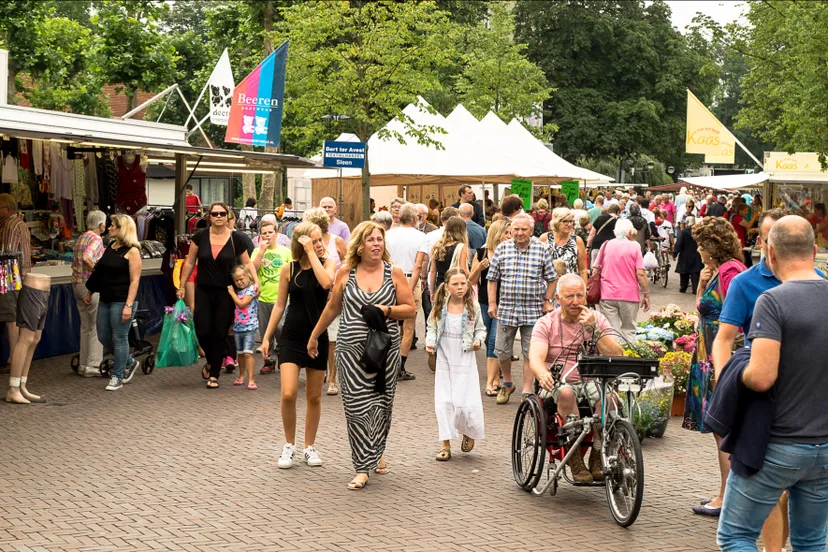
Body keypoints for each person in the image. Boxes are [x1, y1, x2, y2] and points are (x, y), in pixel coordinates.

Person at [717, 216, 828, 551]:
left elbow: (762, 377)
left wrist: (739, 370)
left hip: (777, 444)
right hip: (823, 446)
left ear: (770, 253)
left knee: (736, 536)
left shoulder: (774, 300)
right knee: (812, 541)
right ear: (814, 249)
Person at [307, 221, 416, 490]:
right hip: (350, 352)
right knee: (356, 409)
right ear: (360, 245)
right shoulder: (346, 272)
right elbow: (333, 307)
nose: (377, 244)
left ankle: (375, 452)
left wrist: (386, 310)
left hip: (384, 354)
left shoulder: (395, 272)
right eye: (371, 240)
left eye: (380, 239)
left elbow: (410, 309)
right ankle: (362, 467)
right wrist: (314, 335)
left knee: (381, 407)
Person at [529, 273, 624, 482]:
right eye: (569, 296)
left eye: (580, 296)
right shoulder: (546, 323)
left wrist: (594, 329)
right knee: (565, 393)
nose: (575, 302)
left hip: (591, 379)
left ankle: (598, 454)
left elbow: (617, 354)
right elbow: (535, 356)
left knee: (609, 400)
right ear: (558, 298)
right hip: (559, 380)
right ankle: (574, 457)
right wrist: (542, 372)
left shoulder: (596, 319)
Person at [681, 216, 746, 516]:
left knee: (725, 431)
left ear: (711, 246)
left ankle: (727, 498)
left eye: (701, 244)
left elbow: (741, 317)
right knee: (722, 432)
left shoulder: (731, 272)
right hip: (709, 358)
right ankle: (726, 493)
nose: (698, 250)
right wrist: (703, 284)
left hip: (719, 361)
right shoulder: (718, 271)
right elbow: (702, 307)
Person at [261, 221, 336, 469]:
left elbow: (326, 283)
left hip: (318, 335)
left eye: (320, 240)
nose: (320, 245)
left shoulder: (328, 264)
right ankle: (289, 445)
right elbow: (280, 305)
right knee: (288, 392)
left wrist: (313, 253)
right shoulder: (288, 269)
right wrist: (267, 336)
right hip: (292, 335)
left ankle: (309, 446)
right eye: (314, 241)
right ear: (301, 243)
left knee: (314, 395)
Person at [177, 202, 259, 389]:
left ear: (228, 215)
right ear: (209, 217)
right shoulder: (200, 236)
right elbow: (190, 262)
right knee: (202, 329)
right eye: (215, 214)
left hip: (226, 292)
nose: (219, 216)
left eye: (223, 213)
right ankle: (211, 361)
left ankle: (214, 374)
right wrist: (181, 285)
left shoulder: (236, 238)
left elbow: (247, 263)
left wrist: (256, 282)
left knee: (220, 332)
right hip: (204, 290)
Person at [487, 213, 557, 404]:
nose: (519, 233)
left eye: (523, 229)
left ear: (531, 230)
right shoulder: (502, 248)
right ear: (510, 230)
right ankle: (508, 383)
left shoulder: (542, 249)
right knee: (501, 350)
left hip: (533, 310)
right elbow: (492, 279)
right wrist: (492, 303)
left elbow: (552, 278)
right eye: (516, 229)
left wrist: (547, 300)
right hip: (507, 309)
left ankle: (527, 390)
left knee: (530, 352)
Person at [426, 267, 486, 461]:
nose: (460, 287)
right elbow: (432, 327)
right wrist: (430, 342)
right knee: (444, 401)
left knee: (463, 402)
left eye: (463, 283)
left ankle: (468, 431)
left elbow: (480, 329)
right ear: (447, 286)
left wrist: (478, 341)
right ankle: (445, 444)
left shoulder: (472, 306)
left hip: (465, 356)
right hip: (445, 357)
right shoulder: (439, 306)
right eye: (455, 284)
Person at [84, 214, 143, 392]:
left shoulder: (133, 251)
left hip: (121, 300)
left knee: (119, 337)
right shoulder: (111, 246)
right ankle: (129, 361)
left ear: (122, 228)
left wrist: (128, 305)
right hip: (105, 298)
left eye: (113, 226)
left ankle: (117, 376)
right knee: (103, 336)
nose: (109, 228)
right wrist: (90, 291)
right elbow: (99, 272)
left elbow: (135, 280)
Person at [303, 208, 346, 394]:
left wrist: (338, 288)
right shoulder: (306, 244)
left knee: (332, 340)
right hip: (311, 297)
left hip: (332, 296)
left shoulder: (337, 241)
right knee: (314, 335)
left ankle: (332, 379)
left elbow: (347, 266)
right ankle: (318, 373)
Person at [386, 203, 427, 381]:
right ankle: (400, 366)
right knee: (409, 326)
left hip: (389, 278)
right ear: (414, 218)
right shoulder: (420, 236)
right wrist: (410, 288)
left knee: (388, 322)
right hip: (410, 278)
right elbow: (419, 265)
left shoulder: (388, 234)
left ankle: (386, 361)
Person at [470, 218, 510, 396]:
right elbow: (470, 280)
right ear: (498, 233)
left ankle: (490, 383)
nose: (509, 236)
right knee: (487, 340)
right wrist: (478, 268)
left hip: (504, 303)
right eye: (506, 233)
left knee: (495, 341)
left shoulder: (511, 253)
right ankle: (496, 377)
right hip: (484, 302)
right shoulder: (482, 252)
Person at [597, 218, 650, 342]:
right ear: (630, 232)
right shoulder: (635, 246)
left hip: (607, 294)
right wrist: (646, 294)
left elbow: (596, 269)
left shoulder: (606, 245)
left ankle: (612, 358)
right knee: (629, 330)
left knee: (610, 331)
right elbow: (641, 273)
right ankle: (627, 359)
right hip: (629, 295)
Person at [251, 219, 292, 374]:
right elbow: (252, 269)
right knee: (264, 331)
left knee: (280, 328)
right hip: (263, 297)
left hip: (281, 298)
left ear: (276, 234)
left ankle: (281, 355)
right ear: (260, 236)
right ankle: (269, 360)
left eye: (270, 232)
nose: (267, 236)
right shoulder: (256, 251)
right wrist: (261, 251)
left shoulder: (285, 251)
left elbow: (292, 270)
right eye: (264, 233)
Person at [72, 210, 106, 377]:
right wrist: (97, 272)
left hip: (77, 284)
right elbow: (87, 257)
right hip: (89, 286)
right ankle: (93, 365)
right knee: (95, 326)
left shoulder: (81, 237)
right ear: (101, 225)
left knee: (85, 326)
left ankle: (83, 364)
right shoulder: (96, 238)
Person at [0, 194, 32, 372]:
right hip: (16, 275)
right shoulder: (19, 224)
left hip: (9, 275)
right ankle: (16, 358)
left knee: (11, 319)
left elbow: (7, 253)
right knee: (14, 318)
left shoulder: (11, 226)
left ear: (7, 208)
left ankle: (14, 360)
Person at [227, 266, 258, 390]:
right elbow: (236, 311)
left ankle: (251, 379)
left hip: (249, 327)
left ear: (248, 277)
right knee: (240, 354)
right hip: (238, 327)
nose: (239, 282)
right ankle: (241, 376)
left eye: (241, 279)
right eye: (236, 281)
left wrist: (232, 293)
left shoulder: (251, 290)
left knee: (247, 353)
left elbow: (241, 304)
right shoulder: (239, 292)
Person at [540, 208, 588, 286]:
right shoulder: (544, 239)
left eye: (571, 221)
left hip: (570, 287)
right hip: (547, 288)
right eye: (565, 221)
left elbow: (582, 270)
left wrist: (584, 291)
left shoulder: (577, 241)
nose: (569, 224)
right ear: (556, 222)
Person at [429, 216, 469, 294]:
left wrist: (432, 291)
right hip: (454, 286)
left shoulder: (437, 246)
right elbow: (463, 270)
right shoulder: (461, 247)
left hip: (440, 285)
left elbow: (433, 271)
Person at [673, 216, 703, 293]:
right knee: (695, 273)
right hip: (696, 255)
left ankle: (683, 287)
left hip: (685, 255)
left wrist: (675, 253)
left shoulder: (684, 232)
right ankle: (695, 289)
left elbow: (679, 243)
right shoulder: (698, 232)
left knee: (684, 273)